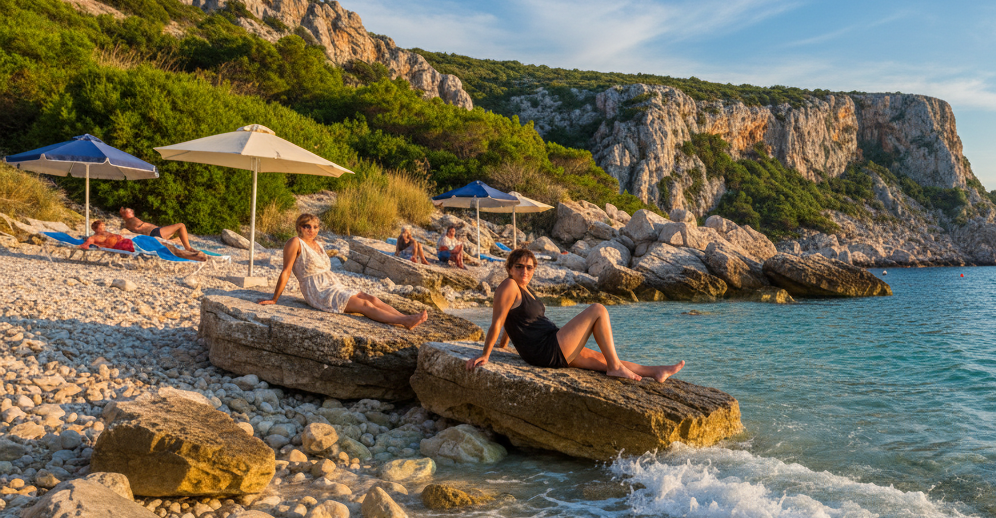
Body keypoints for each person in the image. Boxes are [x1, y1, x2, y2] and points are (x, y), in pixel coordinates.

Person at [466, 248, 684, 382]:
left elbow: (512, 321)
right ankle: (616, 369)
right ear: (510, 269)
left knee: (606, 359)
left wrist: (504, 346)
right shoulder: (509, 285)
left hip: (552, 343)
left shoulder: (525, 290)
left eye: (530, 268)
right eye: (520, 266)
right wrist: (487, 354)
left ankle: (656, 371)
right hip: (546, 348)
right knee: (598, 309)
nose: (525, 271)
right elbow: (497, 321)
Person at [260, 213, 428, 330]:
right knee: (364, 305)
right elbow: (286, 271)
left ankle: (404, 318)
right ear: (299, 227)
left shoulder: (317, 244)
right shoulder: (295, 242)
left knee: (370, 297)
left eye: (315, 227)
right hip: (318, 290)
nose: (312, 230)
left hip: (333, 284)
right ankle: (405, 321)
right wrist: (275, 299)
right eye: (307, 226)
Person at [118, 207, 195, 251]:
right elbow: (124, 229)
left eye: (131, 210)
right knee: (181, 225)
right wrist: (123, 214)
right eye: (128, 211)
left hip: (157, 232)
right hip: (155, 232)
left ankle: (168, 241)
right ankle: (188, 248)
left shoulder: (132, 220)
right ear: (124, 215)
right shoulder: (129, 221)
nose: (131, 211)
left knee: (181, 238)